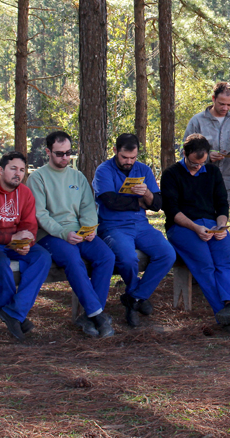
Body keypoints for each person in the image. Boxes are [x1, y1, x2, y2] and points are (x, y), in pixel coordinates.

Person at [27, 133, 116, 338]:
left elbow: (87, 207)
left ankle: (90, 315)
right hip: (51, 235)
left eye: (68, 153)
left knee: (106, 256)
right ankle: (98, 315)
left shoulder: (77, 176)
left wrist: (89, 228)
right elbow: (40, 214)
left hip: (79, 232)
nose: (65, 158)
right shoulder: (38, 178)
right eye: (59, 154)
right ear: (48, 152)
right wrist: (63, 233)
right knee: (73, 259)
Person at [161, 133, 230, 331]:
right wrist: (195, 227)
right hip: (183, 227)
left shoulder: (212, 172)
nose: (198, 167)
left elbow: (222, 204)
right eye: (194, 163)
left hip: (211, 224)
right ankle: (224, 316)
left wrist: (221, 225)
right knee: (205, 264)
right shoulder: (171, 174)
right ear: (184, 153)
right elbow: (172, 211)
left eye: (202, 163)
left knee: (226, 260)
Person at [93, 133, 175, 328]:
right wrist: (138, 201)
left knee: (167, 254)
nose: (129, 162)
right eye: (124, 158)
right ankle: (135, 294)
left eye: (133, 158)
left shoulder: (143, 169)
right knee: (129, 259)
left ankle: (135, 298)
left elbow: (156, 204)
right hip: (113, 226)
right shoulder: (104, 170)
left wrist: (146, 193)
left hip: (141, 225)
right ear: (115, 151)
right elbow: (110, 201)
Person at [0, 151, 52, 342]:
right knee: (0, 263)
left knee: (42, 257)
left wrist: (26, 243)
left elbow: (30, 224)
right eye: (13, 169)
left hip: (15, 243)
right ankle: (15, 315)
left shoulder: (25, 193)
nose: (18, 173)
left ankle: (13, 312)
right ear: (0, 170)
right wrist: (10, 239)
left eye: (22, 170)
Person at [184, 81, 230, 206]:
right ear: (213, 99)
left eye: (229, 105)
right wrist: (206, 157)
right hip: (201, 180)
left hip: (228, 181)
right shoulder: (197, 121)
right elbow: (184, 153)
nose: (225, 108)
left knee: (222, 218)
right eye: (222, 104)